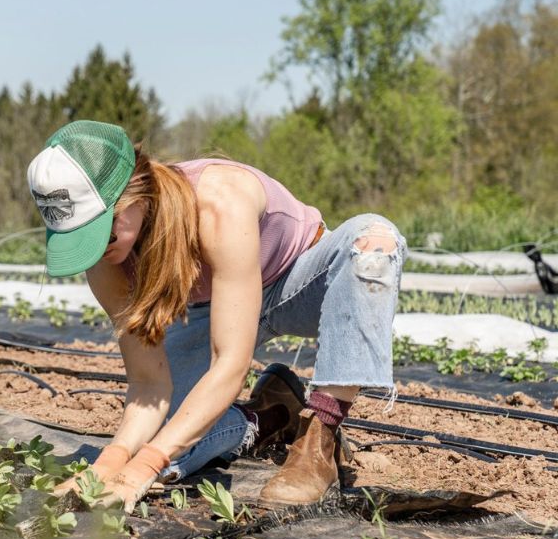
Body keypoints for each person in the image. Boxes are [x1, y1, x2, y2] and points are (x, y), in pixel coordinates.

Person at [29, 121, 406, 510]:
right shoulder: (106, 262)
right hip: (215, 308)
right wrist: (113, 462)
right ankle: (268, 416)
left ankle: (320, 439)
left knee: (373, 241)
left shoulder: (217, 202)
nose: (98, 250)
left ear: (135, 193)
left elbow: (230, 363)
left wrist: (145, 464)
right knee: (167, 441)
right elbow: (148, 384)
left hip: (299, 283)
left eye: (102, 233)